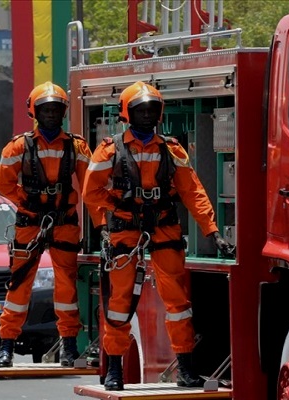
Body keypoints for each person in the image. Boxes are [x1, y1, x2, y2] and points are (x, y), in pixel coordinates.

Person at [82, 81, 232, 391]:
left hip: (164, 227)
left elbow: (193, 191)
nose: (148, 115)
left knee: (177, 300)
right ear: (127, 113)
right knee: (119, 302)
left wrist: (212, 231)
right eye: (141, 110)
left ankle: (186, 370)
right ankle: (114, 370)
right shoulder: (110, 149)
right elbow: (91, 192)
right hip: (124, 231)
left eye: (152, 109)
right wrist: (112, 215)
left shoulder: (171, 148)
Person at [0, 81, 103, 368]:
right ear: (35, 112)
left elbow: (91, 189)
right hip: (30, 223)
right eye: (46, 109)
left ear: (63, 112)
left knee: (66, 285)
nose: (51, 114)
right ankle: (6, 346)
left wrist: (103, 226)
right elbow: (4, 184)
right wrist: (27, 203)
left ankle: (68, 346)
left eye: (56, 109)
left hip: (64, 222)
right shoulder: (18, 145)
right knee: (19, 285)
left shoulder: (76, 146)